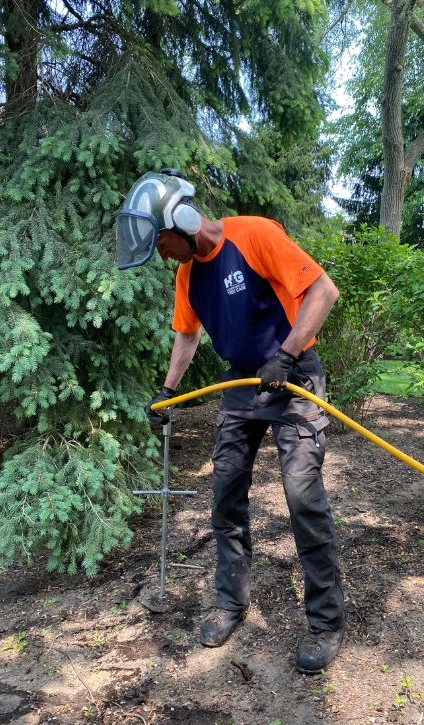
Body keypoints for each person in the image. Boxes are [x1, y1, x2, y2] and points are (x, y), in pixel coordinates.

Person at [117, 168, 346, 673]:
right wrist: (168, 392)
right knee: (225, 494)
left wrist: (285, 356)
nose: (162, 255)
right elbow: (187, 335)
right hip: (241, 383)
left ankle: (326, 622)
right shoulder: (187, 275)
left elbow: (322, 291)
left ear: (184, 220)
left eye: (162, 243)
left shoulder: (254, 234)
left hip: (293, 378)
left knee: (302, 495)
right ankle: (230, 602)